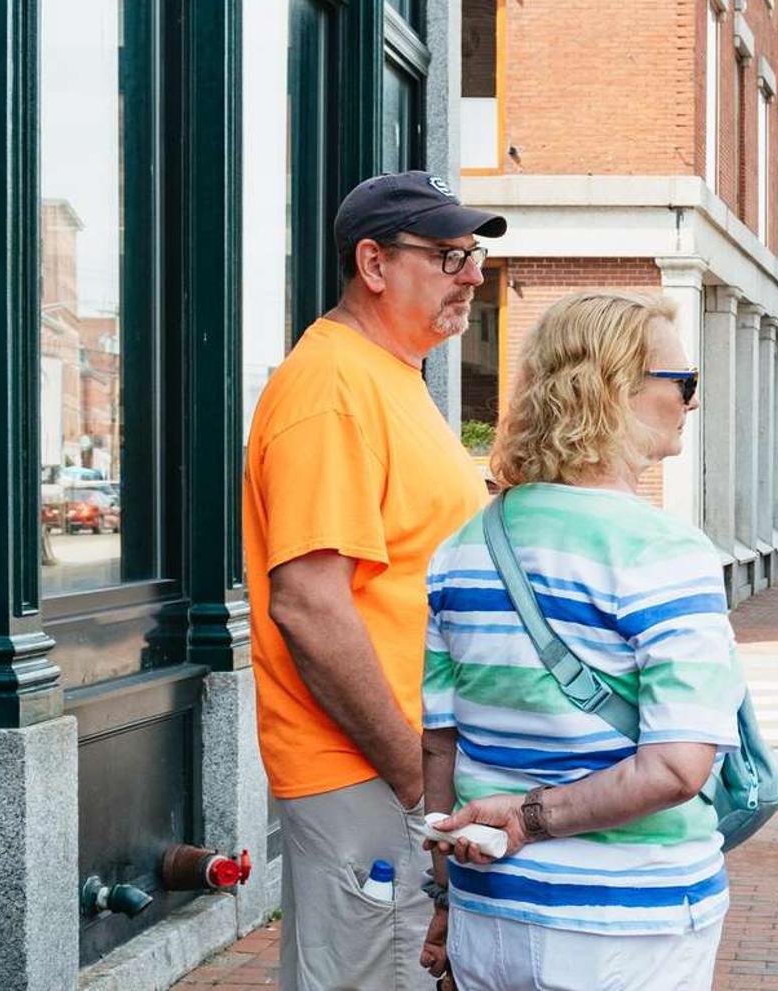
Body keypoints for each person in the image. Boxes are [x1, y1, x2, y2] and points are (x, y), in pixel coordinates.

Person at [420, 290, 745, 990]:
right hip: (629, 922)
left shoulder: (463, 548)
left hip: (491, 911)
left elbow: (439, 743)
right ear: (616, 388)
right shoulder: (665, 551)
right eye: (684, 382)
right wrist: (531, 819)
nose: (692, 401)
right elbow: (677, 768)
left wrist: (446, 892)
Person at [241, 171, 504, 991]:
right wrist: (414, 778)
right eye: (450, 255)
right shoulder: (330, 390)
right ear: (374, 263)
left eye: (475, 256)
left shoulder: (394, 377)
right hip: (366, 773)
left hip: (394, 772)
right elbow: (311, 606)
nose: (473, 275)